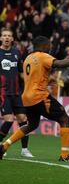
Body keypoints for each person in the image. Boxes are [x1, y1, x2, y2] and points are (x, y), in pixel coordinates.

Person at [0, 36, 69, 161]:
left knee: (32, 125)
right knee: (64, 118)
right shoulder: (43, 56)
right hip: (39, 96)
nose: (50, 47)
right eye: (49, 45)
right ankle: (65, 155)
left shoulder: (28, 57)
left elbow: (33, 75)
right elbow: (59, 63)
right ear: (43, 46)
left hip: (27, 97)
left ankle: (4, 146)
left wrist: (47, 80)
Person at [0, 28, 33, 157]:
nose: (7, 38)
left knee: (23, 120)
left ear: (12, 39)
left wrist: (31, 83)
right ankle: (1, 145)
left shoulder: (17, 52)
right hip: (3, 93)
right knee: (8, 120)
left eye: (9, 36)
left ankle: (25, 149)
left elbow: (21, 72)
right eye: (4, 36)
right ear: (1, 38)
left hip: (16, 92)